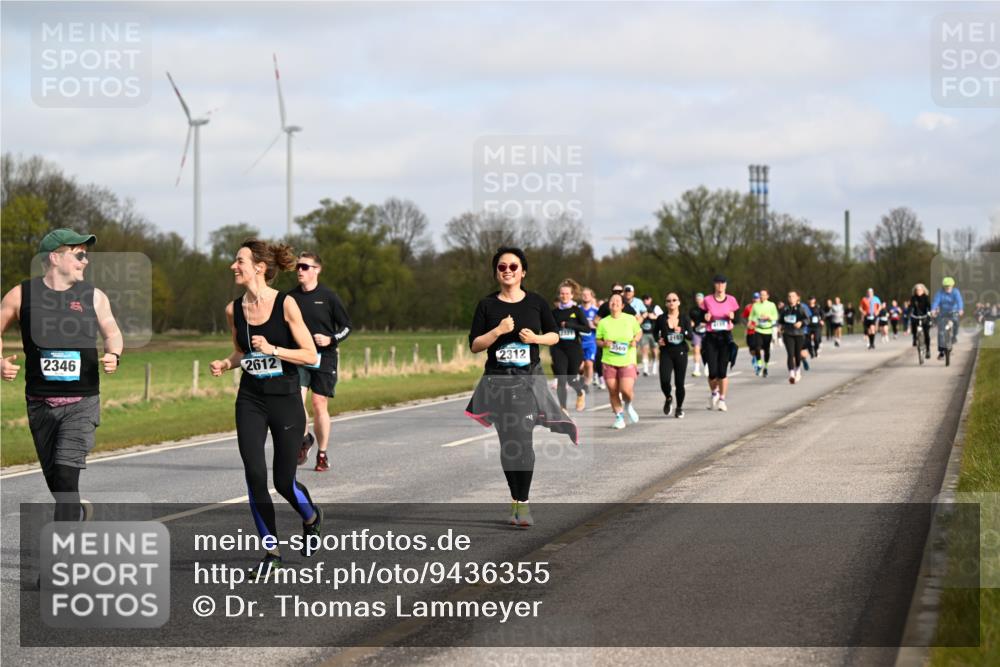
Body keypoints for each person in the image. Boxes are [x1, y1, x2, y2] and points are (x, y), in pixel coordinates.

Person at [209, 240, 322, 571]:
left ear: (259, 267)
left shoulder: (286, 304)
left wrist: (274, 349)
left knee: (283, 482)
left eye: (239, 261)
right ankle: (272, 553)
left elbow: (310, 355)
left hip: (285, 399)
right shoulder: (234, 309)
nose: (233, 266)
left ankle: (311, 517)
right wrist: (226, 364)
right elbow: (241, 351)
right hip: (251, 399)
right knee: (255, 476)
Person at [0, 229, 122, 525]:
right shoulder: (21, 294)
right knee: (59, 484)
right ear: (55, 258)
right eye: (79, 255)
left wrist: (114, 354)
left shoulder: (94, 296)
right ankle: (75, 512)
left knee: (66, 479)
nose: (85, 261)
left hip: (82, 402)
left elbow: (112, 332)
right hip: (39, 404)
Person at [465, 247, 576, 528]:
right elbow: (475, 345)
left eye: (513, 266)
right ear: (496, 272)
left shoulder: (536, 303)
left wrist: (536, 339)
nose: (508, 271)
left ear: (523, 272)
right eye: (502, 267)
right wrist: (498, 331)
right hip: (497, 383)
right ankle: (515, 498)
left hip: (527, 381)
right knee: (508, 444)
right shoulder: (487, 305)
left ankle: (523, 504)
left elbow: (554, 336)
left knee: (522, 440)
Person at [288, 251, 352, 472]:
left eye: (304, 267)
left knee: (318, 403)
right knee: (296, 403)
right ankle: (305, 438)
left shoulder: (328, 296)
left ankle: (322, 453)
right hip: (299, 356)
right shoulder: (290, 298)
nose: (300, 270)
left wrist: (330, 339)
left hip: (324, 357)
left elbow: (347, 326)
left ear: (317, 270)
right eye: (298, 267)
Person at [596, 292, 642, 429]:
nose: (614, 302)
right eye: (612, 300)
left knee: (626, 390)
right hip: (609, 361)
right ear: (608, 305)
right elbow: (598, 340)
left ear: (622, 305)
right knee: (613, 391)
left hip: (627, 360)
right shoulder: (603, 322)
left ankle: (628, 405)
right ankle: (619, 417)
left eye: (617, 301)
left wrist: (635, 340)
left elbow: (639, 332)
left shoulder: (630, 319)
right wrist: (604, 343)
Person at [699, 275, 739, 412]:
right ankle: (714, 393)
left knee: (722, 372)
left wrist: (733, 317)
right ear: (714, 285)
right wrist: (705, 317)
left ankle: (722, 399)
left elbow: (737, 319)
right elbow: (700, 316)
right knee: (712, 372)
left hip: (725, 337)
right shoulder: (707, 300)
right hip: (711, 337)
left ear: (726, 285)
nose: (720, 286)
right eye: (718, 283)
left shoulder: (732, 300)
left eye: (723, 283)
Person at [551, 279, 589, 412]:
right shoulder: (554, 312)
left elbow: (586, 329)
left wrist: (569, 325)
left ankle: (580, 393)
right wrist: (557, 329)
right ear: (559, 295)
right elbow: (548, 329)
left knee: (571, 379)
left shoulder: (577, 311)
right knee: (561, 379)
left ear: (572, 295)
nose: (564, 296)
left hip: (574, 349)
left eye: (567, 293)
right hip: (558, 349)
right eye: (562, 293)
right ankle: (563, 409)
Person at [654, 292, 692, 418]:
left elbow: (690, 336)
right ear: (666, 304)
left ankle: (679, 408)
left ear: (678, 302)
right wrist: (658, 340)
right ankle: (668, 397)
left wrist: (682, 331)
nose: (671, 302)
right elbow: (655, 333)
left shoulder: (684, 318)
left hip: (680, 352)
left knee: (679, 383)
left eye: (674, 300)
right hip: (666, 352)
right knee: (664, 380)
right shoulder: (661, 318)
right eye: (668, 300)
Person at [779, 291, 810, 384]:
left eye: (793, 296)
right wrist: (780, 327)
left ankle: (798, 371)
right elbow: (780, 320)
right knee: (790, 354)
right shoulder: (785, 309)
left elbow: (807, 319)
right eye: (789, 296)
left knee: (797, 354)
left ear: (797, 298)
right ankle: (791, 374)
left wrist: (801, 323)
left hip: (799, 334)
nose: (791, 298)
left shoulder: (801, 308)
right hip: (788, 334)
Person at [932, 276, 965, 360]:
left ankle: (954, 336)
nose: (947, 288)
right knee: (941, 332)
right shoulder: (940, 293)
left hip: (954, 311)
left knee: (956, 321)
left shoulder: (955, 292)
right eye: (946, 286)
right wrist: (933, 310)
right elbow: (936, 302)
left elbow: (959, 301)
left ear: (952, 286)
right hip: (943, 313)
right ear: (943, 286)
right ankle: (941, 352)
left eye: (949, 286)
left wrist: (960, 309)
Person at [749, 288, 779, 377]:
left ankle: (766, 367)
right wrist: (750, 323)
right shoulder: (755, 305)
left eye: (763, 295)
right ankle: (759, 364)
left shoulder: (771, 305)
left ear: (767, 296)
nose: (761, 296)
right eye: (760, 295)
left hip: (768, 330)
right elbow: (752, 316)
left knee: (766, 350)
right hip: (758, 330)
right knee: (757, 347)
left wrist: (768, 317)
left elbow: (776, 316)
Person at [579, 287, 599, 391]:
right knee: (580, 366)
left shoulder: (596, 311)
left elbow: (602, 326)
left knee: (589, 363)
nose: (586, 296)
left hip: (591, 341)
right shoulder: (577, 309)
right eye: (584, 294)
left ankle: (587, 384)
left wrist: (594, 326)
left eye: (588, 295)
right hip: (578, 341)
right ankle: (583, 378)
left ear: (592, 296)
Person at [639, 294, 663, 377]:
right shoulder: (640, 308)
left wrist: (654, 317)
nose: (645, 300)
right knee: (644, 350)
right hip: (644, 332)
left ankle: (654, 366)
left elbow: (662, 317)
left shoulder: (655, 307)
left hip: (654, 332)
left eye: (647, 299)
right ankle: (645, 369)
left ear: (650, 299)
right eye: (644, 299)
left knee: (654, 351)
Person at [910, 283, 932, 359]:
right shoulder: (913, 298)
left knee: (926, 333)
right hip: (916, 316)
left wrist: (929, 312)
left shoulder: (926, 297)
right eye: (917, 290)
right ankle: (914, 338)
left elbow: (929, 306)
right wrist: (910, 312)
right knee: (913, 324)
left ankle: (928, 350)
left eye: (920, 290)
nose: (918, 291)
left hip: (924, 316)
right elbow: (911, 306)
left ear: (923, 290)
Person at [689, 292, 707, 377]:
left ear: (703, 299)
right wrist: (691, 323)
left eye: (700, 299)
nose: (699, 300)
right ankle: (696, 369)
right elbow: (690, 320)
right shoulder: (693, 310)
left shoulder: (707, 309)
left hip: (707, 332)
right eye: (697, 299)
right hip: (696, 332)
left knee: (706, 350)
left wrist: (706, 324)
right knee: (696, 349)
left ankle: (707, 367)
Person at [742, 293, 761, 373]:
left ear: (760, 299)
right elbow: (743, 317)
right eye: (754, 298)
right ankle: (754, 358)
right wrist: (748, 324)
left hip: (759, 331)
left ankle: (758, 363)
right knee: (752, 349)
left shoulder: (762, 307)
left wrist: (758, 324)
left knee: (758, 347)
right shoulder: (748, 307)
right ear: (752, 299)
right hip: (750, 331)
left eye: (757, 298)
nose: (756, 299)